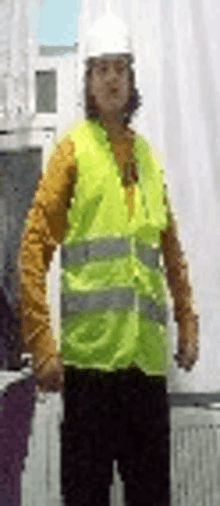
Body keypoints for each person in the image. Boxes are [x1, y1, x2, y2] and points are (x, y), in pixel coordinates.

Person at [16, 9, 199, 506]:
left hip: (145, 370)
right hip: (90, 371)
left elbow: (172, 254)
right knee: (86, 497)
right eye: (102, 69)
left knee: (151, 497)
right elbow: (32, 246)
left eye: (121, 68)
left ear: (131, 78)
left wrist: (188, 324)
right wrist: (41, 341)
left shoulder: (149, 158)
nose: (112, 78)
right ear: (90, 82)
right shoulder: (71, 152)